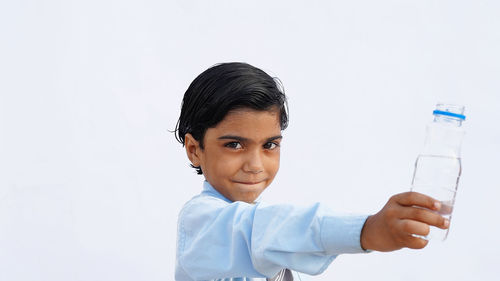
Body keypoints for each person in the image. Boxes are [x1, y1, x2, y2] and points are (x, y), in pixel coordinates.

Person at [173, 62, 449, 281]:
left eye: (269, 145)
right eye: (234, 145)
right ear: (194, 149)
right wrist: (366, 230)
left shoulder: (278, 244)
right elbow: (260, 230)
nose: (255, 164)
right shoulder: (200, 223)